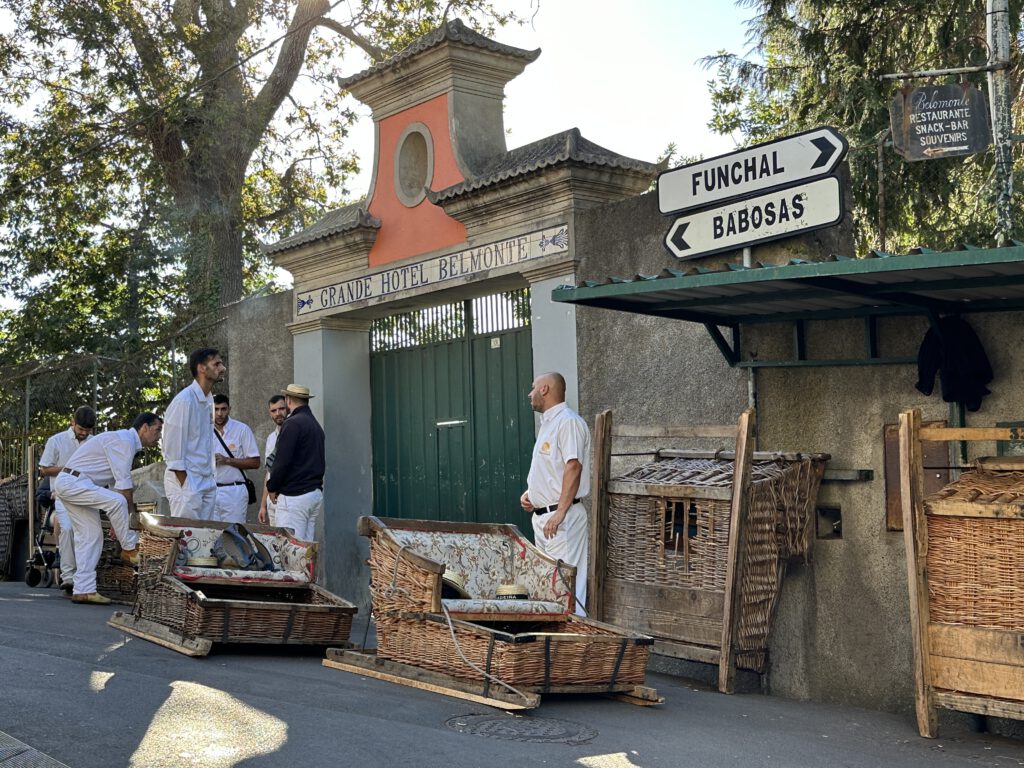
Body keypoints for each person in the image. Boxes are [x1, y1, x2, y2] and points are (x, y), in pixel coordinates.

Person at [53, 413, 163, 605]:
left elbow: (113, 486)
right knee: (119, 502)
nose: (159, 435)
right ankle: (130, 549)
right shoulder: (124, 441)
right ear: (144, 428)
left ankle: (83, 590)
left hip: (73, 483)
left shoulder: (123, 442)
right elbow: (123, 489)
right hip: (73, 482)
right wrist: (129, 523)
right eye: (157, 430)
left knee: (91, 536)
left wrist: (119, 521)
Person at [519, 372, 591, 617]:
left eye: (533, 388)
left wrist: (560, 512)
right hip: (546, 519)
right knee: (550, 584)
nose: (530, 394)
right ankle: (555, 644)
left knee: (567, 585)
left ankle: (574, 639)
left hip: (562, 521)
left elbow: (574, 466)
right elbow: (553, 470)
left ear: (545, 390)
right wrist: (532, 494)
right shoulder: (549, 424)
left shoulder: (568, 422)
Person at [38, 406, 96, 593]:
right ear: (72, 422)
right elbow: (45, 469)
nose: (83, 434)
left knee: (89, 534)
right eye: (80, 430)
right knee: (68, 529)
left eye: (87, 431)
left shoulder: (94, 442)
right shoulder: (56, 441)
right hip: (62, 495)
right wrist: (68, 469)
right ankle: (68, 576)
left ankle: (84, 577)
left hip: (87, 495)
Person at [162, 347, 225, 520]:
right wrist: (186, 483)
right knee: (187, 538)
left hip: (205, 480)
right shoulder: (184, 401)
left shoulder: (209, 399)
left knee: (205, 540)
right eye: (217, 364)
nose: (222, 368)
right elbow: (172, 448)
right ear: (201, 368)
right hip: (188, 482)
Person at [266, 384, 324, 541]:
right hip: (313, 493)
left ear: (288, 400)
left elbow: (282, 461)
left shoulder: (293, 423)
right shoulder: (315, 425)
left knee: (289, 550)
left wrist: (272, 486)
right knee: (305, 551)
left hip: (295, 496)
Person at [212, 394, 260, 525]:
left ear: (229, 409)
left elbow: (256, 462)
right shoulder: (204, 431)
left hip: (234, 491)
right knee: (211, 536)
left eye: (223, 409)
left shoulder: (242, 429)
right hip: (210, 491)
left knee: (234, 535)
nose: (219, 413)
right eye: (215, 409)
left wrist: (227, 460)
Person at [258, 395, 289, 526]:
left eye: (281, 409)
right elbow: (269, 473)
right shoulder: (271, 438)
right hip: (272, 501)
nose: (278, 413)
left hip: (287, 497)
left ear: (288, 408)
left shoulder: (294, 432)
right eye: (273, 411)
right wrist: (263, 505)